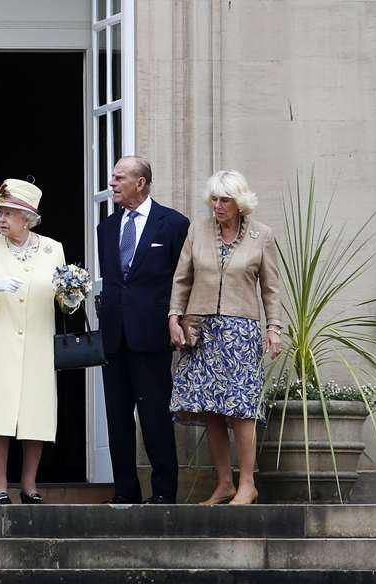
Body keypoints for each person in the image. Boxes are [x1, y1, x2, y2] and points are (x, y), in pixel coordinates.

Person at [167, 169, 285, 505]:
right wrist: (174, 318)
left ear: (240, 202)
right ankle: (224, 484)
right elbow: (181, 280)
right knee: (211, 408)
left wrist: (273, 328)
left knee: (241, 408)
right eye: (214, 199)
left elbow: (270, 288)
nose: (217, 206)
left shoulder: (261, 235)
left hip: (240, 332)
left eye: (224, 200)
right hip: (201, 331)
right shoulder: (198, 232)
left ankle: (247, 483)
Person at [0, 179, 66, 505]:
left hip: (38, 340)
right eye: (0, 213)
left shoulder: (54, 248)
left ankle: (30, 485)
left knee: (36, 415)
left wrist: (73, 296)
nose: (2, 219)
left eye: (9, 213)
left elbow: (64, 298)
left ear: (28, 218)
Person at [96, 155, 190, 504]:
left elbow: (185, 279)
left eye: (120, 178)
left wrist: (180, 323)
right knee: (118, 421)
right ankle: (125, 493)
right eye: (112, 177)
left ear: (141, 183)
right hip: (114, 337)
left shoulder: (174, 224)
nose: (112, 183)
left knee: (154, 418)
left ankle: (164, 494)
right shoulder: (106, 228)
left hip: (151, 336)